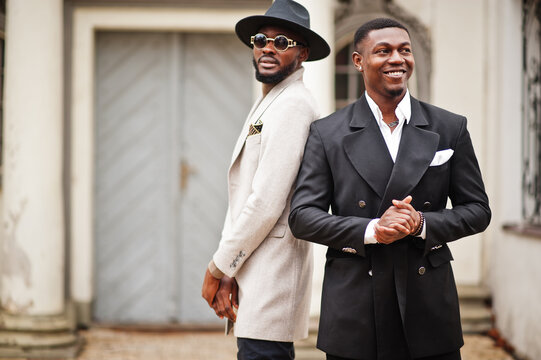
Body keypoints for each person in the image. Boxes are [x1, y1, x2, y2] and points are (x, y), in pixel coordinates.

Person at [288, 18, 491, 360]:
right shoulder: (328, 133)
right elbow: (302, 216)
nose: (397, 59)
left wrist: (422, 224)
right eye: (383, 51)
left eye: (404, 50)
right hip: (356, 303)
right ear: (358, 61)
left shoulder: (450, 127)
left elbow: (478, 210)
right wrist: (372, 229)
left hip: (427, 302)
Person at [201, 0, 330, 359]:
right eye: (260, 39)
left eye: (282, 42)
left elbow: (267, 200)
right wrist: (232, 269)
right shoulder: (272, 100)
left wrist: (218, 266)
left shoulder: (293, 105)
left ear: (302, 53)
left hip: (274, 271)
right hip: (255, 267)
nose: (268, 48)